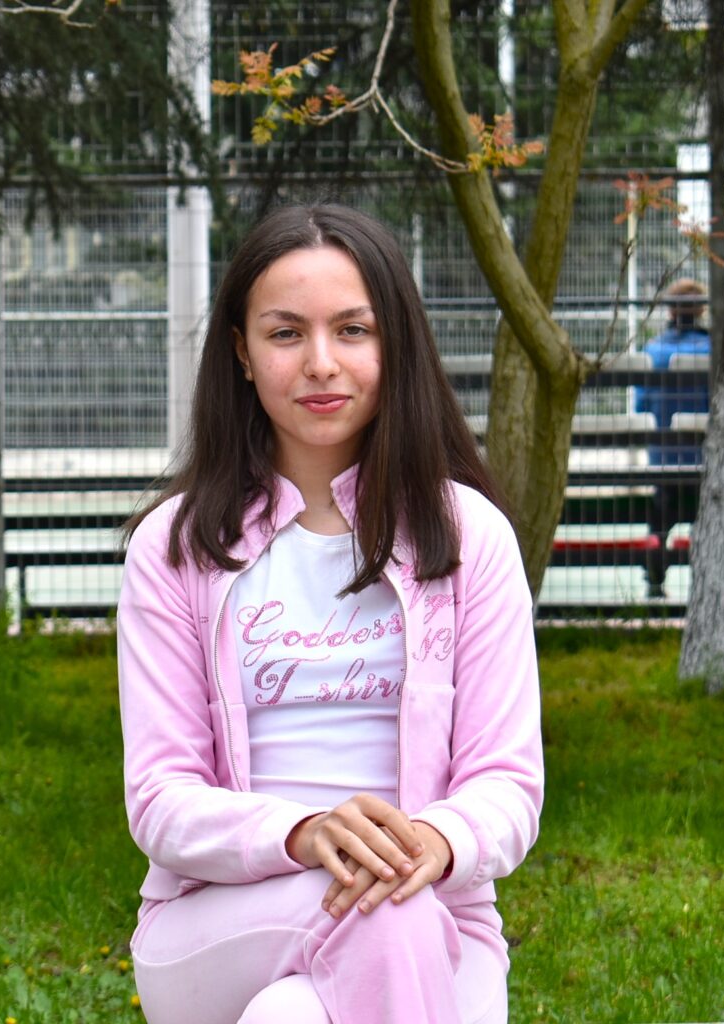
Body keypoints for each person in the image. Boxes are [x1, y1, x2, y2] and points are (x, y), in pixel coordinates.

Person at [117, 203, 543, 1024]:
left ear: (395, 345)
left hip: (438, 915)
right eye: (285, 334)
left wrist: (431, 844)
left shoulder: (470, 538)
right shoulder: (175, 548)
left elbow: (508, 783)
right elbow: (163, 799)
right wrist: (307, 832)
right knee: (383, 912)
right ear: (241, 353)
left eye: (353, 330)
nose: (321, 363)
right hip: (220, 919)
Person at [634, 278, 710, 597]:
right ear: (702, 310)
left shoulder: (653, 351)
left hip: (664, 461)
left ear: (670, 311)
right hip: (705, 462)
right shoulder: (715, 349)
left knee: (661, 516)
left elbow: (641, 404)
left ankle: (655, 579)